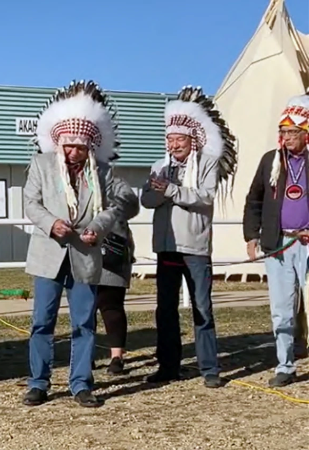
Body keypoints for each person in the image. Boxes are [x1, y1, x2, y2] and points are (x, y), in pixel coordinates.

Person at [22, 80, 123, 408]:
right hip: (48, 254)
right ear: (59, 142)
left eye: (80, 147)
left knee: (84, 323)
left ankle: (81, 383)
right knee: (42, 321)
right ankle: (38, 382)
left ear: (89, 146)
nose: (73, 153)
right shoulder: (41, 165)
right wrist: (51, 224)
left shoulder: (102, 172)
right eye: (68, 146)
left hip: (85, 255)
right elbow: (30, 202)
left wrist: (97, 228)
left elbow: (113, 208)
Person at [140, 86, 237, 389]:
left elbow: (205, 197)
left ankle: (209, 367)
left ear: (191, 140)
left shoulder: (207, 163)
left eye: (179, 139)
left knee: (202, 307)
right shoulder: (159, 166)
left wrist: (170, 190)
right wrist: (162, 190)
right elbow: (146, 199)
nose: (174, 145)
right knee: (165, 308)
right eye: (169, 139)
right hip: (167, 247)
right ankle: (168, 366)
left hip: (195, 247)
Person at [243, 93, 309, 387]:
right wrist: (251, 236)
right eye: (284, 131)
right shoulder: (271, 160)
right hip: (278, 244)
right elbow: (254, 200)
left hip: (307, 243)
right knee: (281, 310)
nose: (288, 136)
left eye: (293, 131)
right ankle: (285, 365)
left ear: (306, 133)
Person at [96, 172, 139, 374]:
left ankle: (116, 356)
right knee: (84, 308)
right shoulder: (69, 179)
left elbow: (132, 206)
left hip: (113, 248)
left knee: (112, 306)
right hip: (82, 249)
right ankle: (85, 355)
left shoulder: (115, 181)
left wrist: (106, 209)